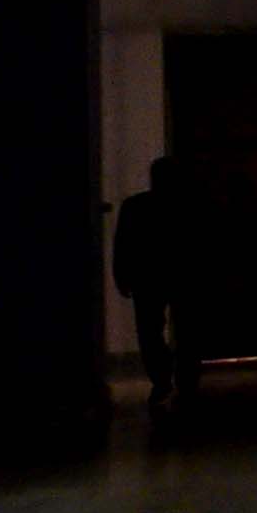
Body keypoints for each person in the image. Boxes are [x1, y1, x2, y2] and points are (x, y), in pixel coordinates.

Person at [110, 155, 198, 416]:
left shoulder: (135, 206)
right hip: (181, 275)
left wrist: (122, 276)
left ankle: (162, 379)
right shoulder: (188, 207)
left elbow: (123, 244)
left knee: (150, 332)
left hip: (147, 277)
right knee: (187, 328)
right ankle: (186, 378)